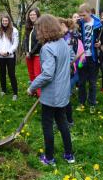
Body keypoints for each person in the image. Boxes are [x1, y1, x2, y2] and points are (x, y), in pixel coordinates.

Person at [27, 15, 74, 166]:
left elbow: (47, 74)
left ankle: (49, 158)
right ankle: (69, 155)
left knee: (47, 125)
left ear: (44, 29)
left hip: (52, 95)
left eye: (38, 29)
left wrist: (32, 87)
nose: (37, 32)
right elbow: (71, 57)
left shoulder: (47, 48)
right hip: (63, 93)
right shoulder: (63, 43)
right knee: (62, 123)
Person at [77, 3, 102, 114]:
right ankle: (82, 103)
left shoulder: (98, 24)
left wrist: (100, 43)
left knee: (92, 82)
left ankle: (92, 103)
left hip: (93, 57)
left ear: (90, 13)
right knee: (81, 82)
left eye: (84, 15)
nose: (82, 18)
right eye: (80, 15)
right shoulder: (79, 24)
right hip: (81, 58)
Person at [0, 14, 19, 100]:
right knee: (2, 74)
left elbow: (15, 43)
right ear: (1, 21)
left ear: (9, 21)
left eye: (6, 21)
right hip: (0, 56)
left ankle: (15, 92)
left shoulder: (14, 30)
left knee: (12, 74)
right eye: (3, 21)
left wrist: (8, 52)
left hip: (10, 56)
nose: (5, 22)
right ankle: (3, 90)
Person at [58, 18, 76, 127]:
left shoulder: (68, 37)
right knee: (62, 95)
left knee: (64, 95)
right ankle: (64, 120)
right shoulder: (60, 37)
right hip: (59, 72)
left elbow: (72, 55)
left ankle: (68, 120)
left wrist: (66, 66)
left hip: (65, 71)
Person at [23, 8, 42, 96]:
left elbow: (39, 42)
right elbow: (25, 40)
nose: (32, 16)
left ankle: (40, 95)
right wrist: (26, 51)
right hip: (28, 55)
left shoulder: (40, 26)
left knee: (37, 74)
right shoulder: (28, 26)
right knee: (31, 74)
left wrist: (31, 53)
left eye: (34, 14)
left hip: (37, 54)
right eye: (30, 15)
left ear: (37, 15)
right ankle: (33, 91)